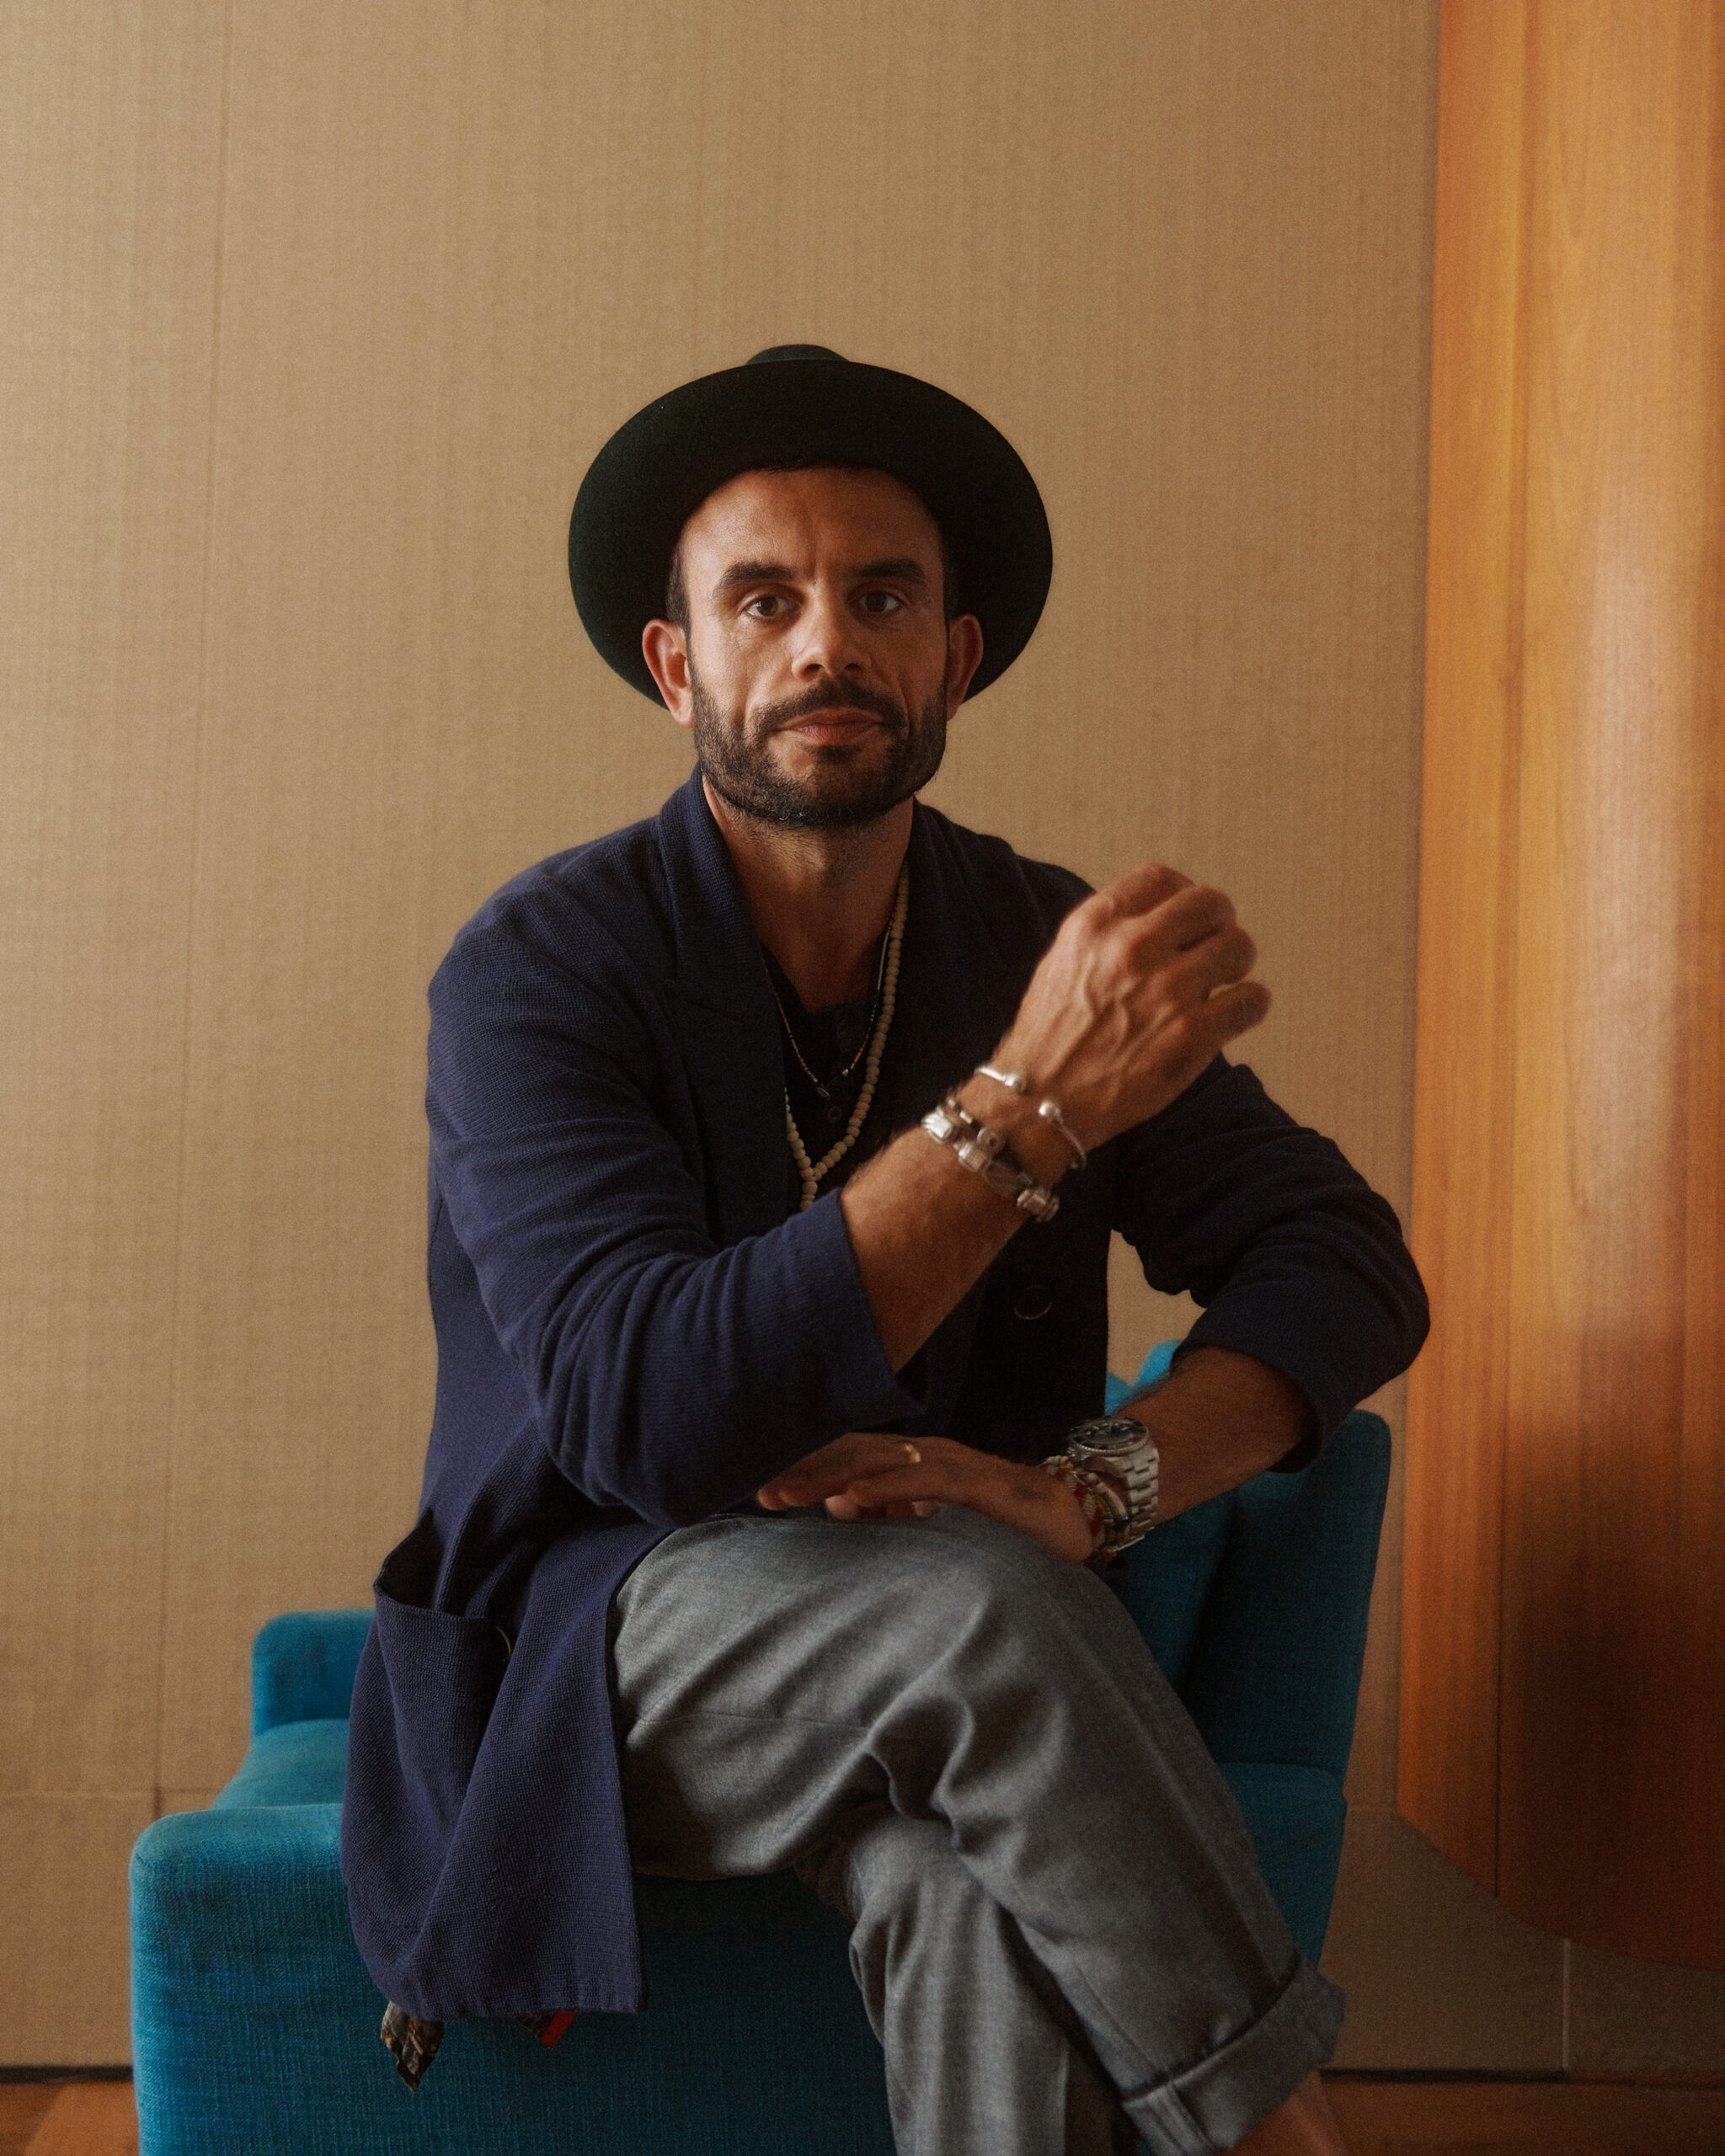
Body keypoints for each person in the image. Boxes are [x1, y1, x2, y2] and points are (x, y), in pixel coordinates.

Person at [341, 346, 1429, 2154]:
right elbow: (646, 1420)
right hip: (602, 1639)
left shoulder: (1030, 938)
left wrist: (1096, 1486)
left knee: (963, 1875)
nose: (825, 643)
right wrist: (1023, 1109)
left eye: (883, 596)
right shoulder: (539, 971)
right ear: (678, 667)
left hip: (959, 1644)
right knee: (979, 1612)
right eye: (764, 599)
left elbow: (1342, 1259)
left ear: (956, 657)